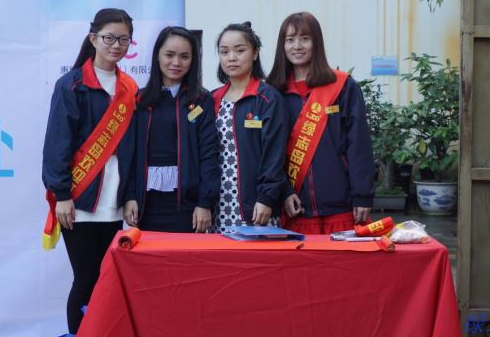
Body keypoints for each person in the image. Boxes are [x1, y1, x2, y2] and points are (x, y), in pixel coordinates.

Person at [41, 8, 137, 335]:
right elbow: (57, 145)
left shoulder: (129, 88)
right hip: (79, 200)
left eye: (124, 39)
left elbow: (133, 150)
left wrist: (131, 195)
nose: (116, 45)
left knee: (107, 278)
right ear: (93, 38)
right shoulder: (72, 85)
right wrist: (62, 195)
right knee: (85, 278)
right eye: (109, 38)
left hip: (113, 200)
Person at [267, 12, 374, 234]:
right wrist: (284, 191)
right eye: (290, 40)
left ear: (317, 42)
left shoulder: (343, 86)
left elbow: (359, 144)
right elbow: (269, 152)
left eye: (305, 38)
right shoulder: (273, 93)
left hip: (342, 208)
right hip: (296, 209)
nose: (297, 46)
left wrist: (362, 195)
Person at [124, 26, 220, 233]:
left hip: (189, 206)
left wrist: (204, 202)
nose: (176, 62)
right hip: (145, 204)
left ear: (193, 60)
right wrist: (129, 196)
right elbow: (129, 154)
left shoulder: (201, 100)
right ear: (157, 56)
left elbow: (209, 154)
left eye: (184, 56)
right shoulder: (139, 100)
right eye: (169, 55)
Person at [210, 21, 290, 234]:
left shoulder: (267, 98)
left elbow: (274, 153)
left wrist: (267, 197)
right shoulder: (212, 99)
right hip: (218, 205)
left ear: (254, 53)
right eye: (224, 51)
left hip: (257, 205)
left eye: (240, 50)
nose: (231, 57)